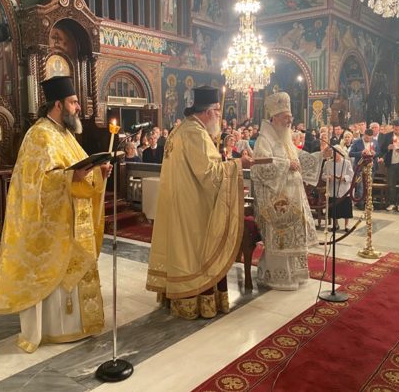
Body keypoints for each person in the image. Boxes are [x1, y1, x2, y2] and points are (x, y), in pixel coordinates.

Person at [0, 76, 111, 353]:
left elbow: (79, 170)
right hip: (53, 229)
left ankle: (79, 326)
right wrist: (70, 177)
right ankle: (57, 330)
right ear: (58, 104)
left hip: (73, 224)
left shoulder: (65, 134)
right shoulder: (39, 135)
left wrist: (98, 172)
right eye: (73, 102)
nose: (78, 107)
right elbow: (36, 184)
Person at [146, 85, 252, 319]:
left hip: (179, 202)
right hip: (193, 207)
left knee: (180, 251)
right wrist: (238, 164)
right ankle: (196, 301)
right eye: (217, 111)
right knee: (195, 253)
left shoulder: (180, 129)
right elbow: (209, 174)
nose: (219, 117)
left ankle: (176, 296)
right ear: (208, 111)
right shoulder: (195, 133)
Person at [251, 92, 318, 291]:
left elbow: (297, 157)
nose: (290, 121)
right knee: (281, 238)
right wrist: (287, 165)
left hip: (293, 199)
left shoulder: (284, 138)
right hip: (275, 202)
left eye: (290, 117)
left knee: (295, 236)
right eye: (286, 117)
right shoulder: (264, 139)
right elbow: (260, 167)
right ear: (275, 117)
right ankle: (277, 277)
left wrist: (320, 155)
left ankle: (296, 275)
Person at [322, 147, 354, 232]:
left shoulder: (346, 163)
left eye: (337, 153)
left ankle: (346, 225)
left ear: (340, 153)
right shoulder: (327, 163)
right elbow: (323, 175)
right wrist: (328, 177)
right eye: (334, 153)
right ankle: (335, 224)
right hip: (333, 188)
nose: (335, 155)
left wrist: (344, 178)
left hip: (344, 189)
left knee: (346, 209)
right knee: (334, 209)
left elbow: (351, 175)